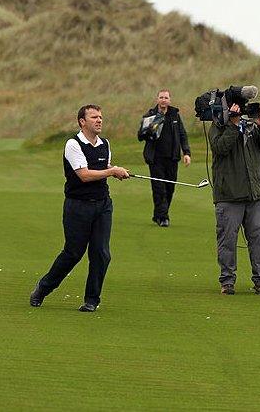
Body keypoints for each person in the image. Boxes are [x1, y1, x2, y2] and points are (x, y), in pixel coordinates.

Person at [30, 105, 130, 312]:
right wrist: (112, 171)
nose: (99, 120)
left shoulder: (105, 144)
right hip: (78, 206)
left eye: (101, 117)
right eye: (94, 117)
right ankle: (43, 288)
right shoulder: (73, 144)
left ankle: (92, 300)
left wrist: (115, 171)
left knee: (101, 253)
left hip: (102, 205)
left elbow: (104, 168)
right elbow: (84, 175)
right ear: (82, 122)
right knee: (73, 253)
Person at [209, 102, 260, 296]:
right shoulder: (218, 127)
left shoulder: (253, 128)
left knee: (259, 238)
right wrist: (232, 125)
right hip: (229, 194)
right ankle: (227, 281)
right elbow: (220, 148)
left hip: (254, 193)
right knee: (227, 239)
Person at [137, 89, 191, 227]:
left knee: (170, 188)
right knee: (159, 188)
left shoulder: (175, 115)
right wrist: (149, 129)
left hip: (172, 158)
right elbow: (140, 136)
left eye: (166, 97)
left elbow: (182, 134)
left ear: (169, 100)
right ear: (157, 100)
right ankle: (163, 217)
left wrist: (186, 153)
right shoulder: (150, 115)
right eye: (161, 97)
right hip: (155, 159)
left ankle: (158, 215)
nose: (163, 100)